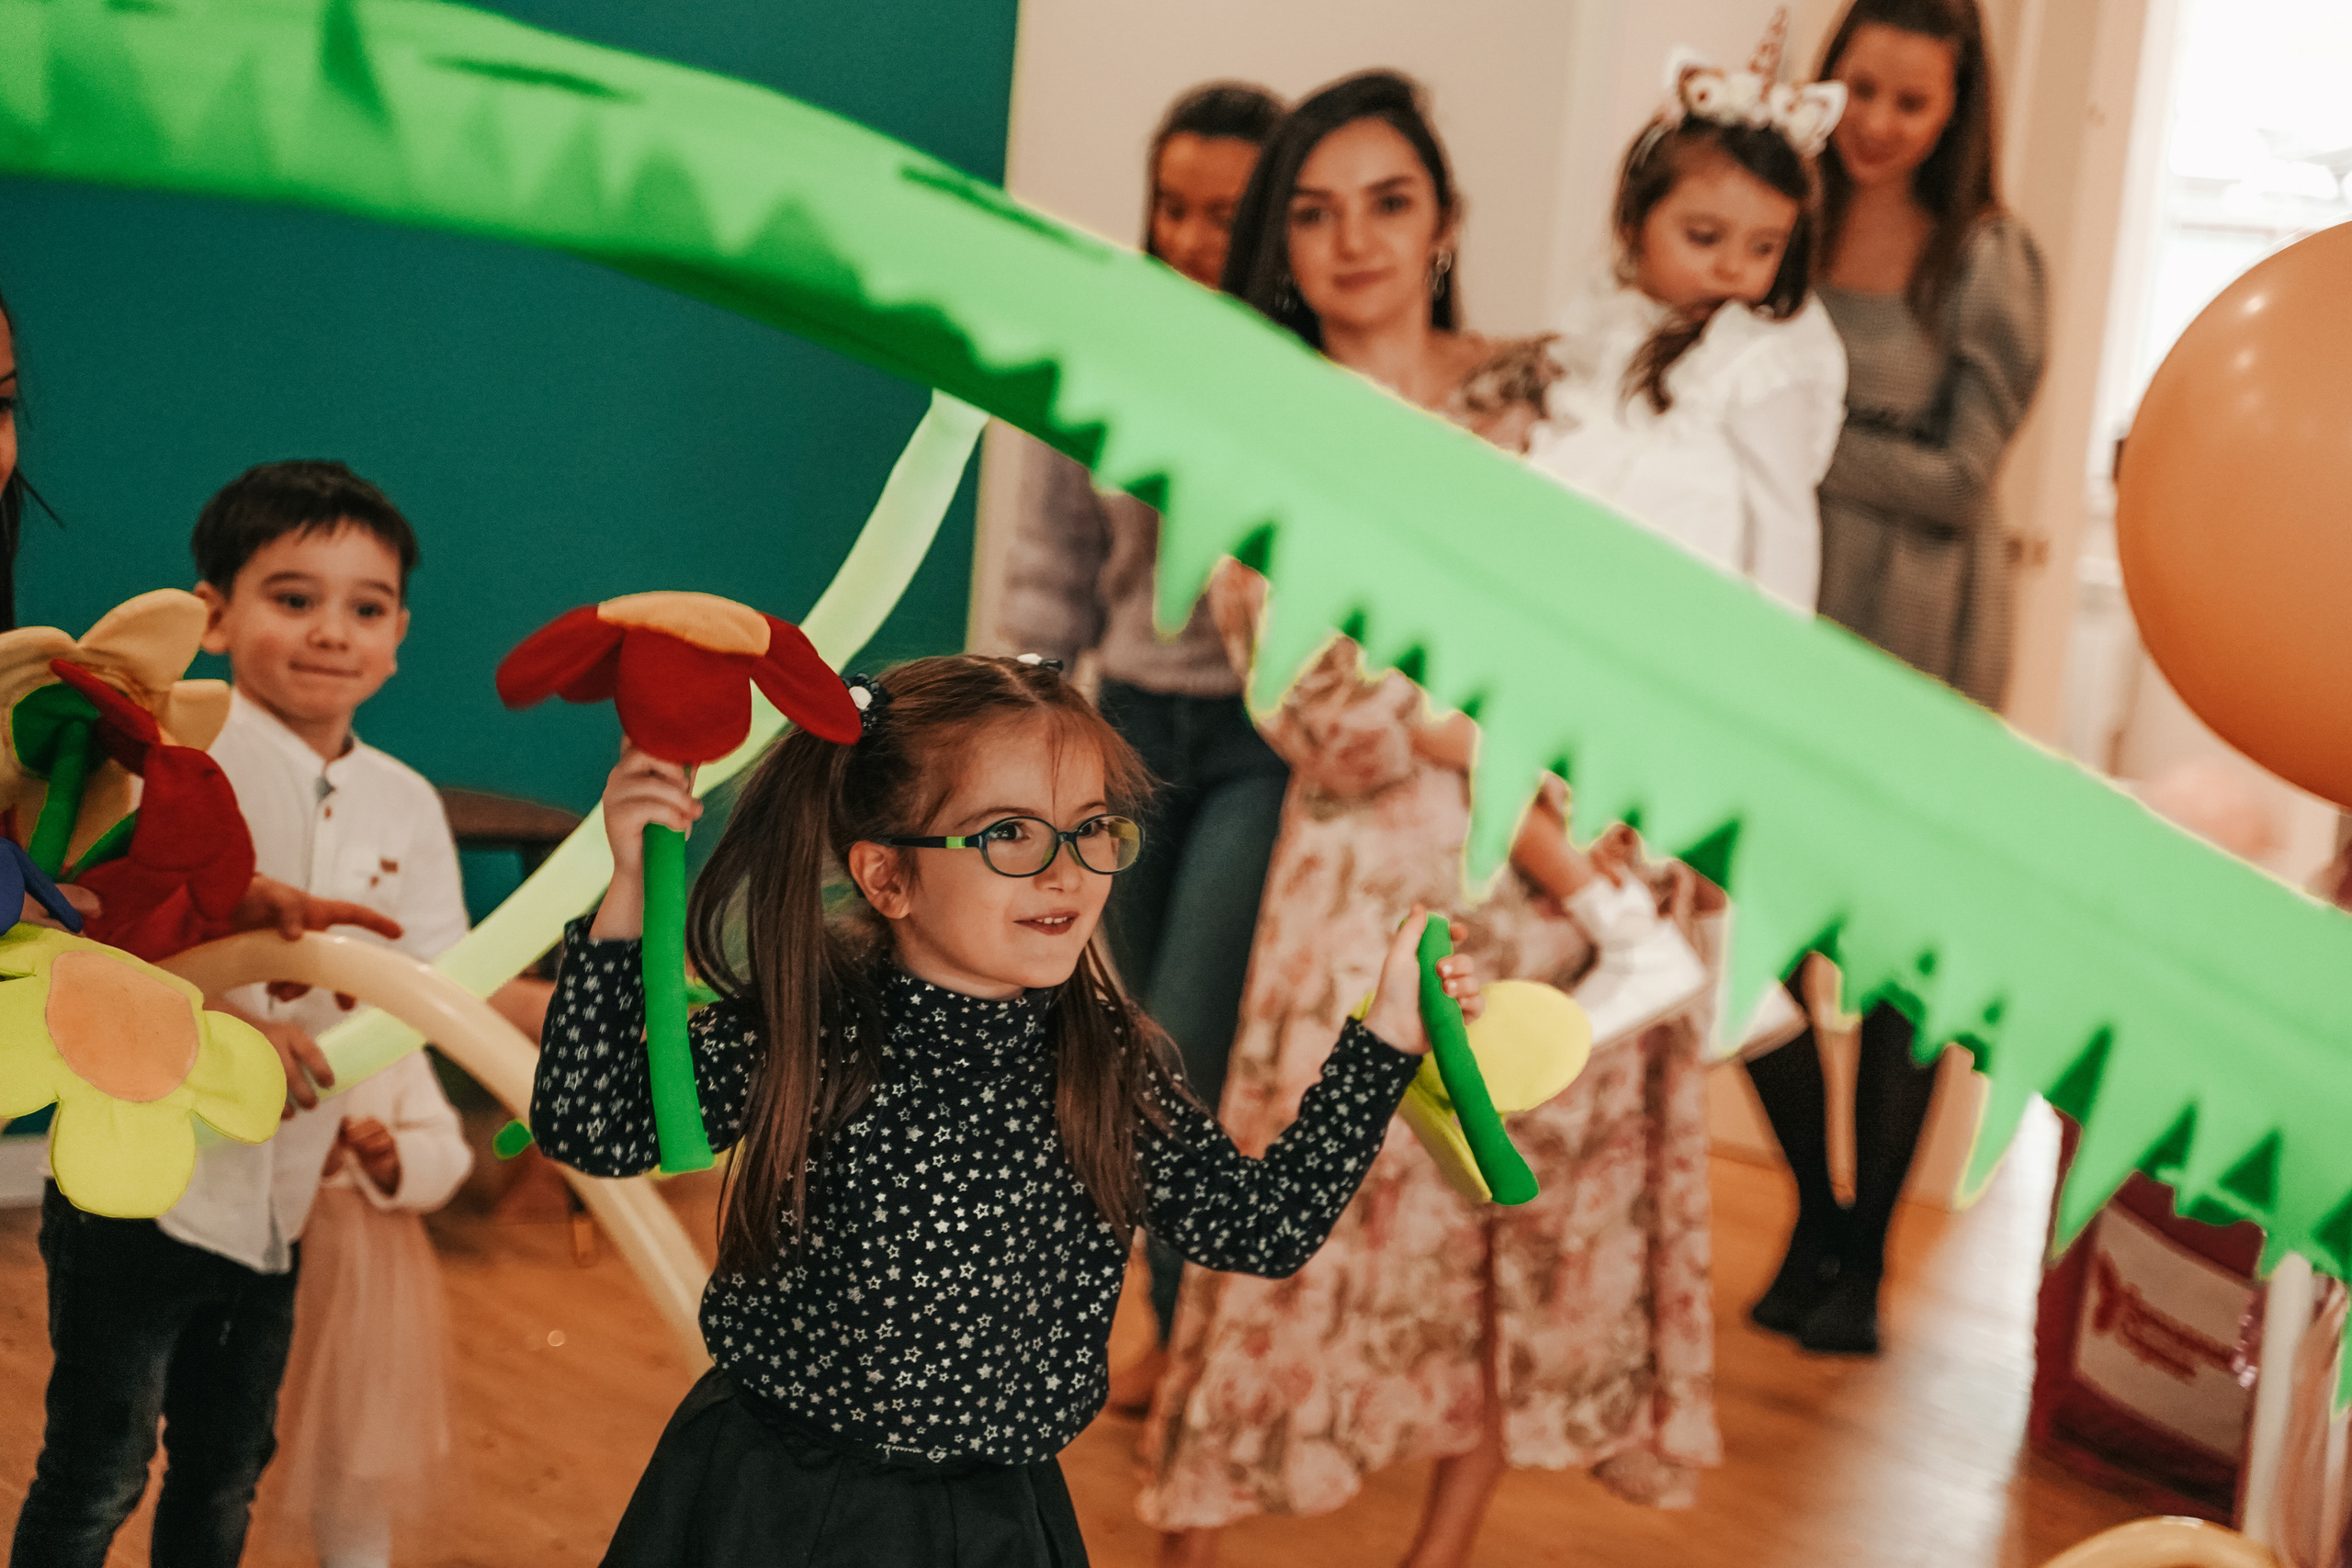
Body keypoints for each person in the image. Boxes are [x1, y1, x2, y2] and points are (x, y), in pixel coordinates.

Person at [527, 653, 1482, 1565]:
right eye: (1009, 834)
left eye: (1091, 827)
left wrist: (1386, 1039)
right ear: (887, 876)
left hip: (996, 1521)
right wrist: (628, 884)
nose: (1067, 871)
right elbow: (590, 1127)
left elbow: (1262, 1226)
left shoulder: (1105, 1062)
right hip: (772, 1506)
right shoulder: (810, 1030)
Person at [1139, 72, 1720, 1568]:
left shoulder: (1548, 397)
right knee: (1300, 1209)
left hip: (1549, 878)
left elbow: (1632, 597)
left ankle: (1442, 1552)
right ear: (1280, 245)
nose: (1355, 241)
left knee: (1503, 1223)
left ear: (1445, 218)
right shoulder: (1262, 428)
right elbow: (1311, 703)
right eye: (1314, 213)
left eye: (1388, 202)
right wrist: (1472, 724)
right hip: (1361, 886)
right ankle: (1194, 1538)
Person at [7, 460, 469, 1568]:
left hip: (280, 1203)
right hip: (140, 1190)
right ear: (213, 616)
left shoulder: (407, 802)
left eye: (366, 608)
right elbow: (89, 940)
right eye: (294, 598)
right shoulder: (165, 762)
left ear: (399, 635)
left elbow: (439, 975)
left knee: (227, 1464)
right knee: (100, 1465)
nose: (332, 632)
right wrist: (228, 1021)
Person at [1740, 0, 2049, 1357]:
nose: (1873, 124)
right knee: (1751, 940)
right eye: (1857, 88)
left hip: (1918, 651)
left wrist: (1800, 438)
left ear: (1956, 110)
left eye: (1909, 102)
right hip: (1779, 636)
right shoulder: (1782, 223)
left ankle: (1863, 1257)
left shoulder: (1985, 255)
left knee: (1899, 969)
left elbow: (1961, 478)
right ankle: (1817, 1213)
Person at [990, 79, 1287, 1403]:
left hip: (1265, 740)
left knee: (1184, 1029)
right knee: (1100, 1028)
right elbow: (1051, 560)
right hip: (1126, 727)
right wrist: (1021, 731)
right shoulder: (1104, 348)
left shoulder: (1308, 369)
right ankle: (1085, 1301)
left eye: (1225, 214)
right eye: (1172, 207)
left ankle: (1169, 1319)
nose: (1192, 238)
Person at [1524, 16, 1849, 1061]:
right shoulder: (1613, 318)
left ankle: (1678, 950)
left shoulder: (1760, 352)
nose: (1734, 270)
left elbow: (1787, 514)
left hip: (1676, 602)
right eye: (1704, 238)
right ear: (1637, 221)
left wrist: (1772, 661)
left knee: (1654, 792)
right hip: (1587, 583)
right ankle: (1672, 951)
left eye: (1764, 248)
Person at [266, 1051, 473, 1568]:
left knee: (354, 1449)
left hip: (361, 1268)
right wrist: (304, 1154)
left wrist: (392, 1159)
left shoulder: (393, 1044)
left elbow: (447, 1148)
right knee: (233, 1437)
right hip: (258, 1244)